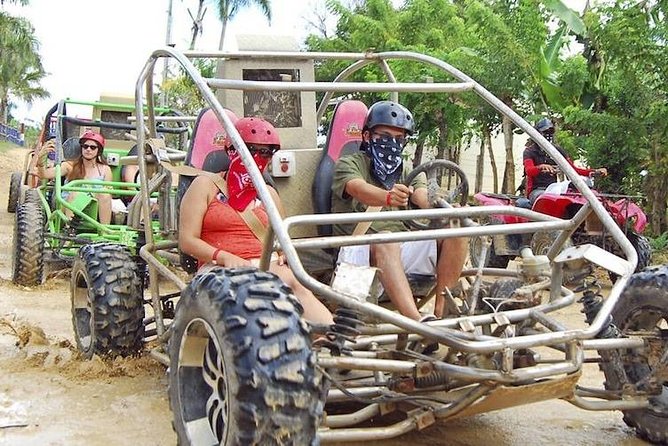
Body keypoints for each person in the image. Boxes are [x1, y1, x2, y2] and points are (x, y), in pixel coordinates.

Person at [179, 117, 334, 327]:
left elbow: (281, 237)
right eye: (252, 150)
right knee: (249, 297)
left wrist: (282, 254)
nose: (259, 157)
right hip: (218, 267)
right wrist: (223, 256)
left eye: (266, 152)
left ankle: (331, 336)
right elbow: (187, 241)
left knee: (295, 283)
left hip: (263, 264)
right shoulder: (205, 186)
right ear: (233, 150)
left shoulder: (268, 193)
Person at [331, 101, 468, 321]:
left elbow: (425, 199)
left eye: (398, 139)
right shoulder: (350, 163)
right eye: (384, 136)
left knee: (456, 229)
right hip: (357, 249)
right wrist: (387, 196)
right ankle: (417, 322)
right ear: (367, 136)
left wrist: (446, 208)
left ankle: (441, 313)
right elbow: (357, 188)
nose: (391, 144)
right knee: (386, 240)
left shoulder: (409, 171)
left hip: (398, 248)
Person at [523, 118, 607, 204]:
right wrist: (540, 167)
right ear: (537, 134)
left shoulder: (557, 150)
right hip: (537, 191)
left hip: (555, 189)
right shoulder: (530, 151)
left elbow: (573, 170)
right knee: (547, 199)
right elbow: (529, 171)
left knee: (575, 199)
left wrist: (595, 171)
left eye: (551, 132)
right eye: (545, 132)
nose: (548, 135)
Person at [37, 130, 113, 224]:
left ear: (99, 150)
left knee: (105, 194)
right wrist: (41, 159)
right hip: (67, 206)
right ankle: (68, 229)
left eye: (93, 147)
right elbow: (43, 174)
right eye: (85, 146)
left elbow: (109, 193)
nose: (88, 149)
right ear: (81, 148)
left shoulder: (105, 170)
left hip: (93, 208)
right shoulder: (69, 166)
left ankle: (105, 231)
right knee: (75, 193)